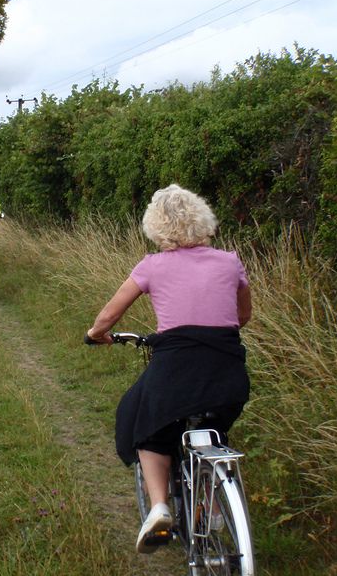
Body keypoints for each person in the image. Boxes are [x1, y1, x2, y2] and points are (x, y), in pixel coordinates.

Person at [85, 184, 253, 554]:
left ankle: (160, 506)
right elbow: (243, 317)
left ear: (156, 228)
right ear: (203, 220)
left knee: (143, 419)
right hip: (228, 372)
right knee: (213, 425)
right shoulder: (230, 261)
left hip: (175, 368)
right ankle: (209, 504)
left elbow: (110, 315)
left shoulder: (152, 265)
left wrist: (97, 333)